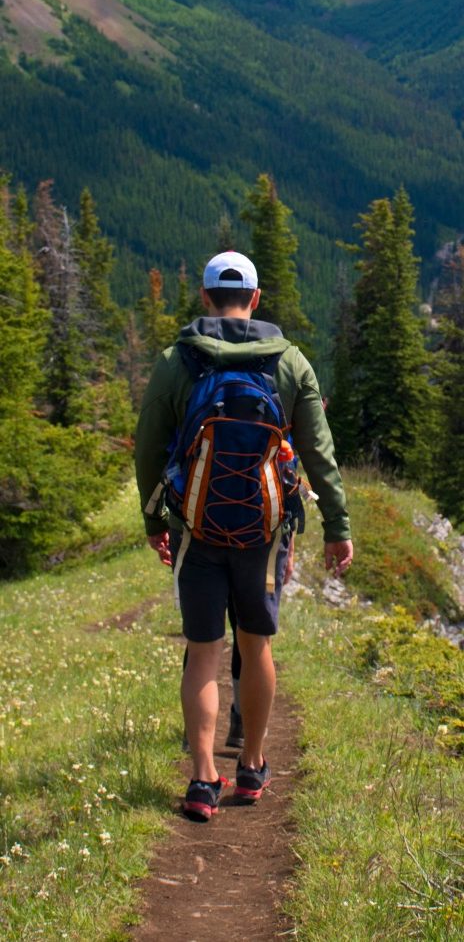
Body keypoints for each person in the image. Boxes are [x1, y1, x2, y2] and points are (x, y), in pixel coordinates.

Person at [135, 251, 353, 821]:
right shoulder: (290, 363)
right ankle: (253, 766)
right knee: (255, 645)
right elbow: (319, 454)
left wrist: (154, 520)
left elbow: (148, 448)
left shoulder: (176, 362)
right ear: (255, 299)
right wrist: (337, 526)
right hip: (263, 535)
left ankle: (203, 779)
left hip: (197, 528)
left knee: (203, 652)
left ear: (205, 298)